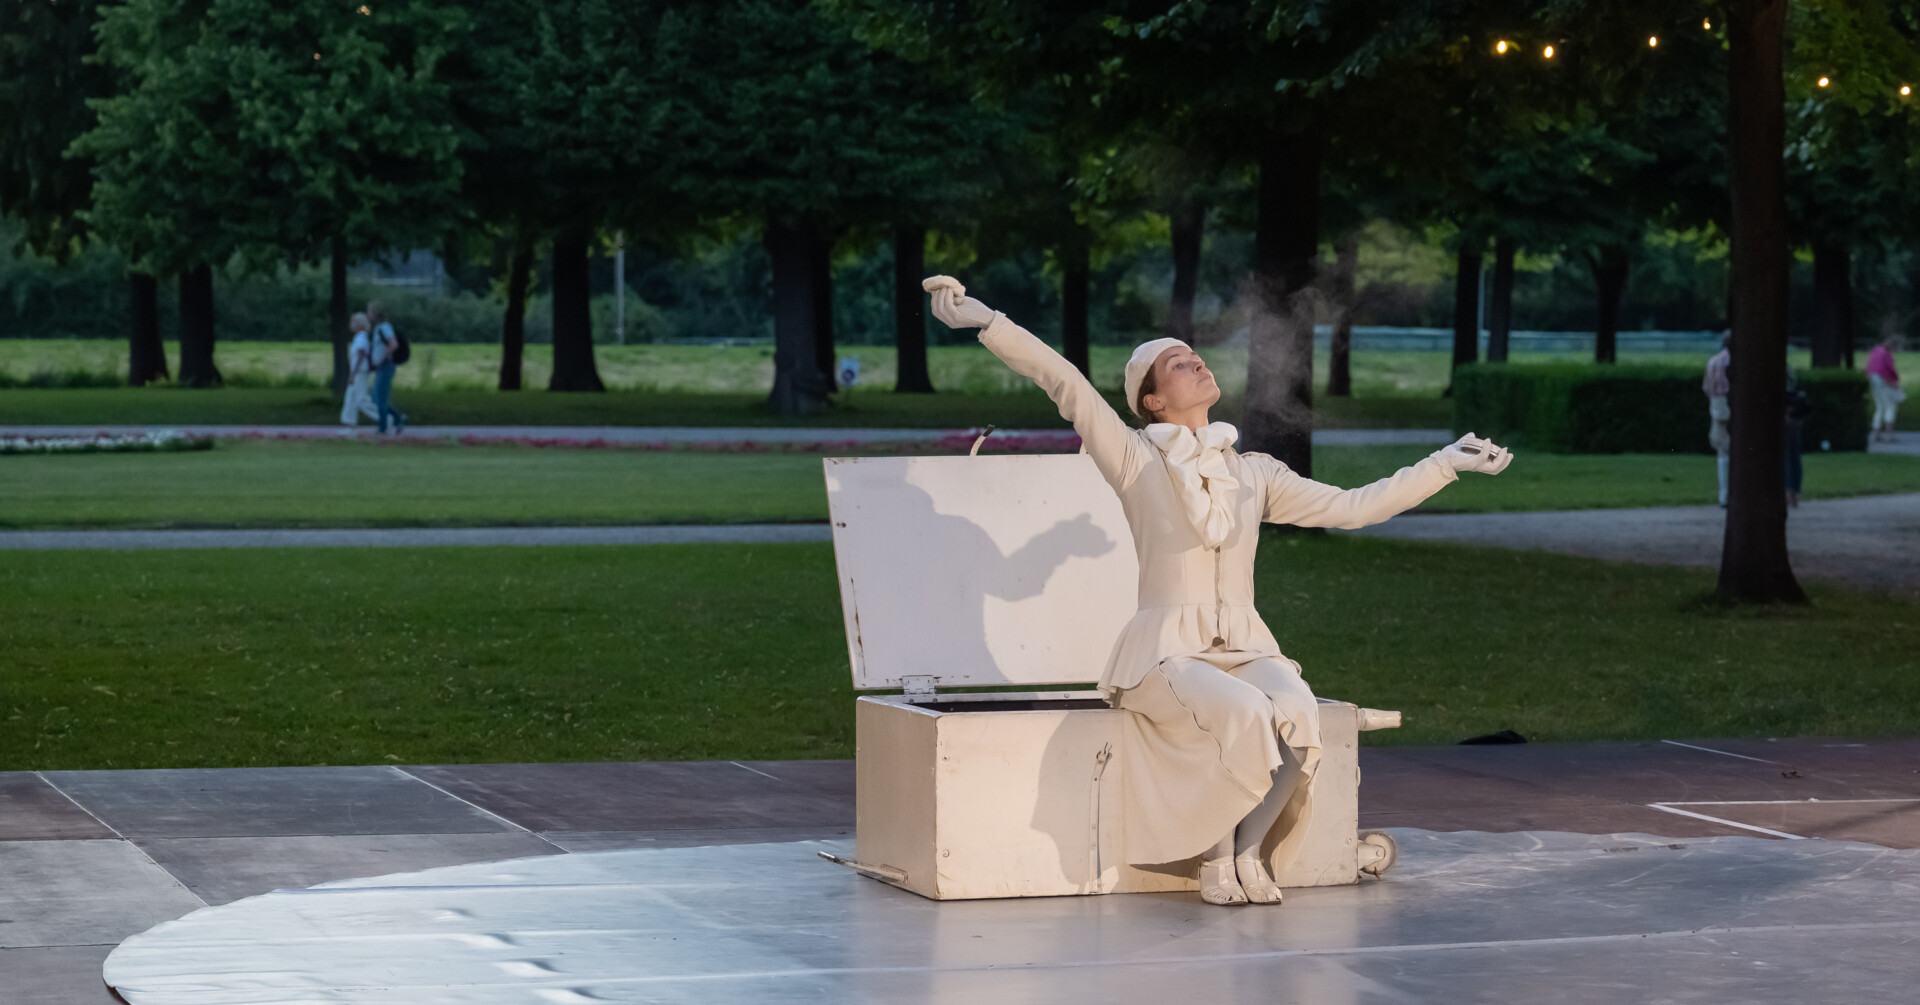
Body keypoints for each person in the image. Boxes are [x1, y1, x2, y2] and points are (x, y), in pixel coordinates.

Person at [923, 275, 1512, 907]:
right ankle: (1214, 857)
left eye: (1196, 355)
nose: (1197, 362)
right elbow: (1063, 380)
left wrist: (1444, 463)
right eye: (1178, 363)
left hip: (1246, 647)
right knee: (1247, 714)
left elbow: (1354, 507)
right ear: (1152, 401)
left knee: (1300, 712)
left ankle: (1249, 851)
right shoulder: (1134, 458)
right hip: (1165, 654)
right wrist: (985, 320)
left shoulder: (1253, 473)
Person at [366, 302, 405, 435]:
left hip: (385, 366)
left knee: (380, 398)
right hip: (380, 367)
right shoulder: (379, 328)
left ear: (376, 313)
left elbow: (393, 344)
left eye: (370, 311)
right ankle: (396, 418)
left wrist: (382, 359)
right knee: (375, 398)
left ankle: (384, 428)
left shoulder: (384, 327)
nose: (368, 314)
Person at [1703, 333, 1732, 506]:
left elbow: (1707, 388)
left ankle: (1724, 495)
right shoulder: (1737, 362)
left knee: (1722, 453)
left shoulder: (1713, 361)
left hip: (1717, 410)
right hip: (1733, 409)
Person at [337, 313, 380, 427]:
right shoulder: (359, 337)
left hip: (359, 371)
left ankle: (383, 417)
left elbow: (360, 354)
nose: (351, 325)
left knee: (361, 399)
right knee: (350, 395)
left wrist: (353, 372)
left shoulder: (361, 337)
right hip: (357, 371)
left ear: (359, 324)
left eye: (353, 323)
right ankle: (348, 421)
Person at [1867, 334, 1904, 444]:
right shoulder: (1885, 355)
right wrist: (1893, 382)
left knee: (1880, 408)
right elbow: (1887, 371)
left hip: (1875, 382)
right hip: (1885, 383)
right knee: (1890, 408)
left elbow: (1870, 368)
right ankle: (1889, 435)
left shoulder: (1875, 351)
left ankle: (1876, 434)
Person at [1783, 371, 1809, 509]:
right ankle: (1795, 493)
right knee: (1794, 455)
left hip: (1787, 414)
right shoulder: (1790, 371)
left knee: (1786, 456)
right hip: (1795, 414)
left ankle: (1787, 492)